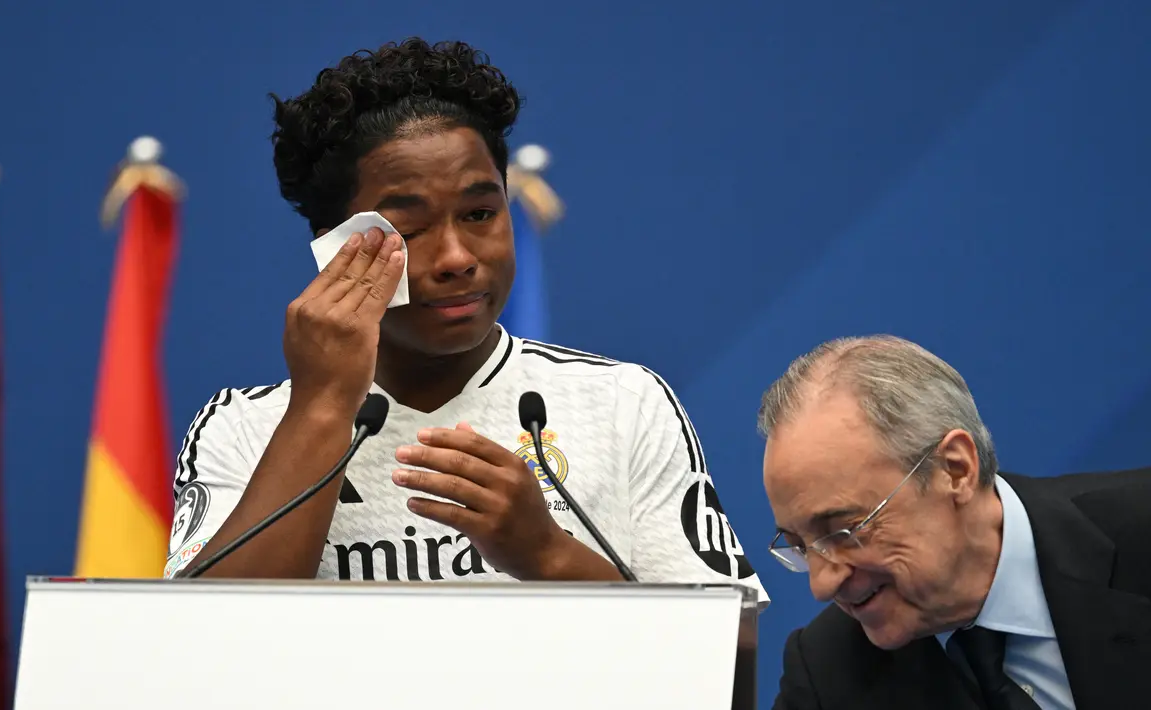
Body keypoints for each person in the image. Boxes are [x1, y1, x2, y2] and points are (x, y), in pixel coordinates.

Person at [162, 37, 768, 612]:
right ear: (333, 247)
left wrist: (547, 554)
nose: (456, 257)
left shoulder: (623, 402)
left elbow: (727, 651)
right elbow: (194, 653)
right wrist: (324, 404)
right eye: (411, 227)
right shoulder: (241, 426)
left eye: (481, 212)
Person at [758, 335, 1151, 710]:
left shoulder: (1138, 531)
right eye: (800, 546)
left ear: (955, 470)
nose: (822, 585)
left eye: (844, 531)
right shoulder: (829, 671)